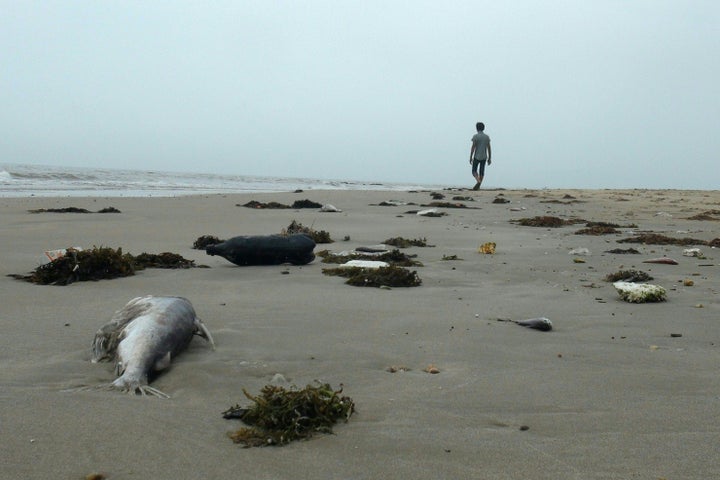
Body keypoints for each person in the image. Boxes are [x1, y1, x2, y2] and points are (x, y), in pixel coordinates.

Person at [469, 122, 491, 190]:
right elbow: (489, 148)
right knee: (482, 171)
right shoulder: (487, 137)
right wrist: (490, 157)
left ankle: (478, 181)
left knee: (474, 171)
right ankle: (479, 184)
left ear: (477, 128)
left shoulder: (475, 136)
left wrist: (470, 157)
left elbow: (473, 147)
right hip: (484, 156)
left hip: (476, 156)